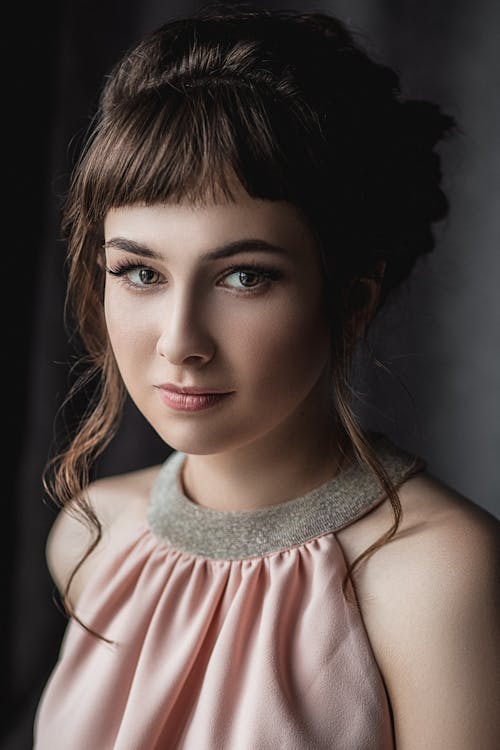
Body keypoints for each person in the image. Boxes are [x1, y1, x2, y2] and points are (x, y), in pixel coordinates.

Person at [33, 2, 500, 748]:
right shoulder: (89, 535)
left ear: (350, 300)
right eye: (140, 271)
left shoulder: (437, 574)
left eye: (244, 277)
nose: (180, 341)